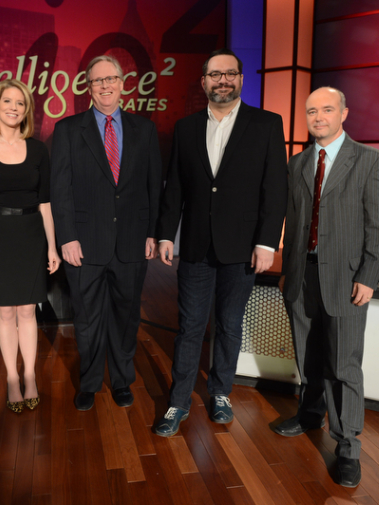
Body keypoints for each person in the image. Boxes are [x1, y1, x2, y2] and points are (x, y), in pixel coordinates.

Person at [153, 48, 288, 437]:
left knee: (229, 325)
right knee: (191, 326)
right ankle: (178, 401)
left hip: (242, 247)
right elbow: (175, 185)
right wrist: (166, 232)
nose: (223, 80)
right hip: (195, 245)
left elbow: (274, 189)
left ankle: (220, 393)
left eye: (230, 74)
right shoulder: (186, 127)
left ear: (241, 80)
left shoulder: (266, 124)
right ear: (204, 82)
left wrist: (267, 242)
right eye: (215, 75)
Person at [276, 86, 379, 488]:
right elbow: (294, 221)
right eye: (312, 111)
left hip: (346, 279)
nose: (318, 117)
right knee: (308, 355)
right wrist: (288, 269)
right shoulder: (298, 163)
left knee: (343, 365)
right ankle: (309, 415)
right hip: (302, 274)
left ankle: (347, 445)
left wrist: (368, 276)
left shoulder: (370, 161)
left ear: (345, 112)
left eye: (327, 109)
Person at [50, 55, 162, 411]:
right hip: (83, 245)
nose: (105, 86)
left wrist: (153, 233)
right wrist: (66, 236)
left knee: (126, 317)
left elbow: (152, 187)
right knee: (87, 318)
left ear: (122, 83)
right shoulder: (68, 129)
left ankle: (121, 380)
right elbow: (60, 188)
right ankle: (89, 382)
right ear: (88, 86)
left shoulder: (144, 130)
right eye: (97, 81)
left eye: (111, 79)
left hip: (131, 241)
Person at [0, 79, 60, 413]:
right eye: (8, 101)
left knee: (27, 310)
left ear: (27, 109)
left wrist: (52, 247)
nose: (14, 108)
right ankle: (11, 378)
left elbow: (46, 203)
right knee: (4, 311)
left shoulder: (38, 149)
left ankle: (30, 376)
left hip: (31, 233)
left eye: (20, 103)